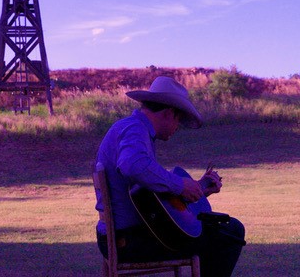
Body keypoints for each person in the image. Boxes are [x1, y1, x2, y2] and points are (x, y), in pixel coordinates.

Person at [94, 76, 245, 277]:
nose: (177, 127)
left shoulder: (135, 131)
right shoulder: (134, 129)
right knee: (230, 232)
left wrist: (197, 190)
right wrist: (180, 185)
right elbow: (132, 165)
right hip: (128, 240)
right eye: (179, 120)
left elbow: (150, 203)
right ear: (169, 113)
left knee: (217, 229)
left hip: (129, 234)